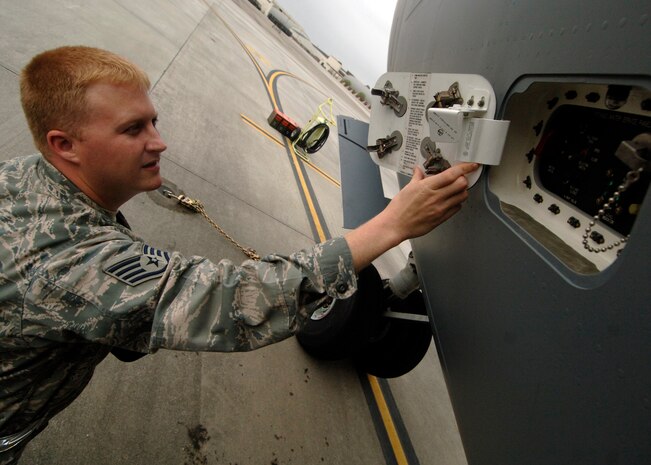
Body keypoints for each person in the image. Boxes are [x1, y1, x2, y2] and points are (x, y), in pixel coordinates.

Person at [0, 46, 477, 463]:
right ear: (65, 146)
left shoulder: (22, 178)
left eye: (153, 121)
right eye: (132, 130)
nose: (158, 142)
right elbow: (230, 301)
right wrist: (394, 224)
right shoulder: (68, 265)